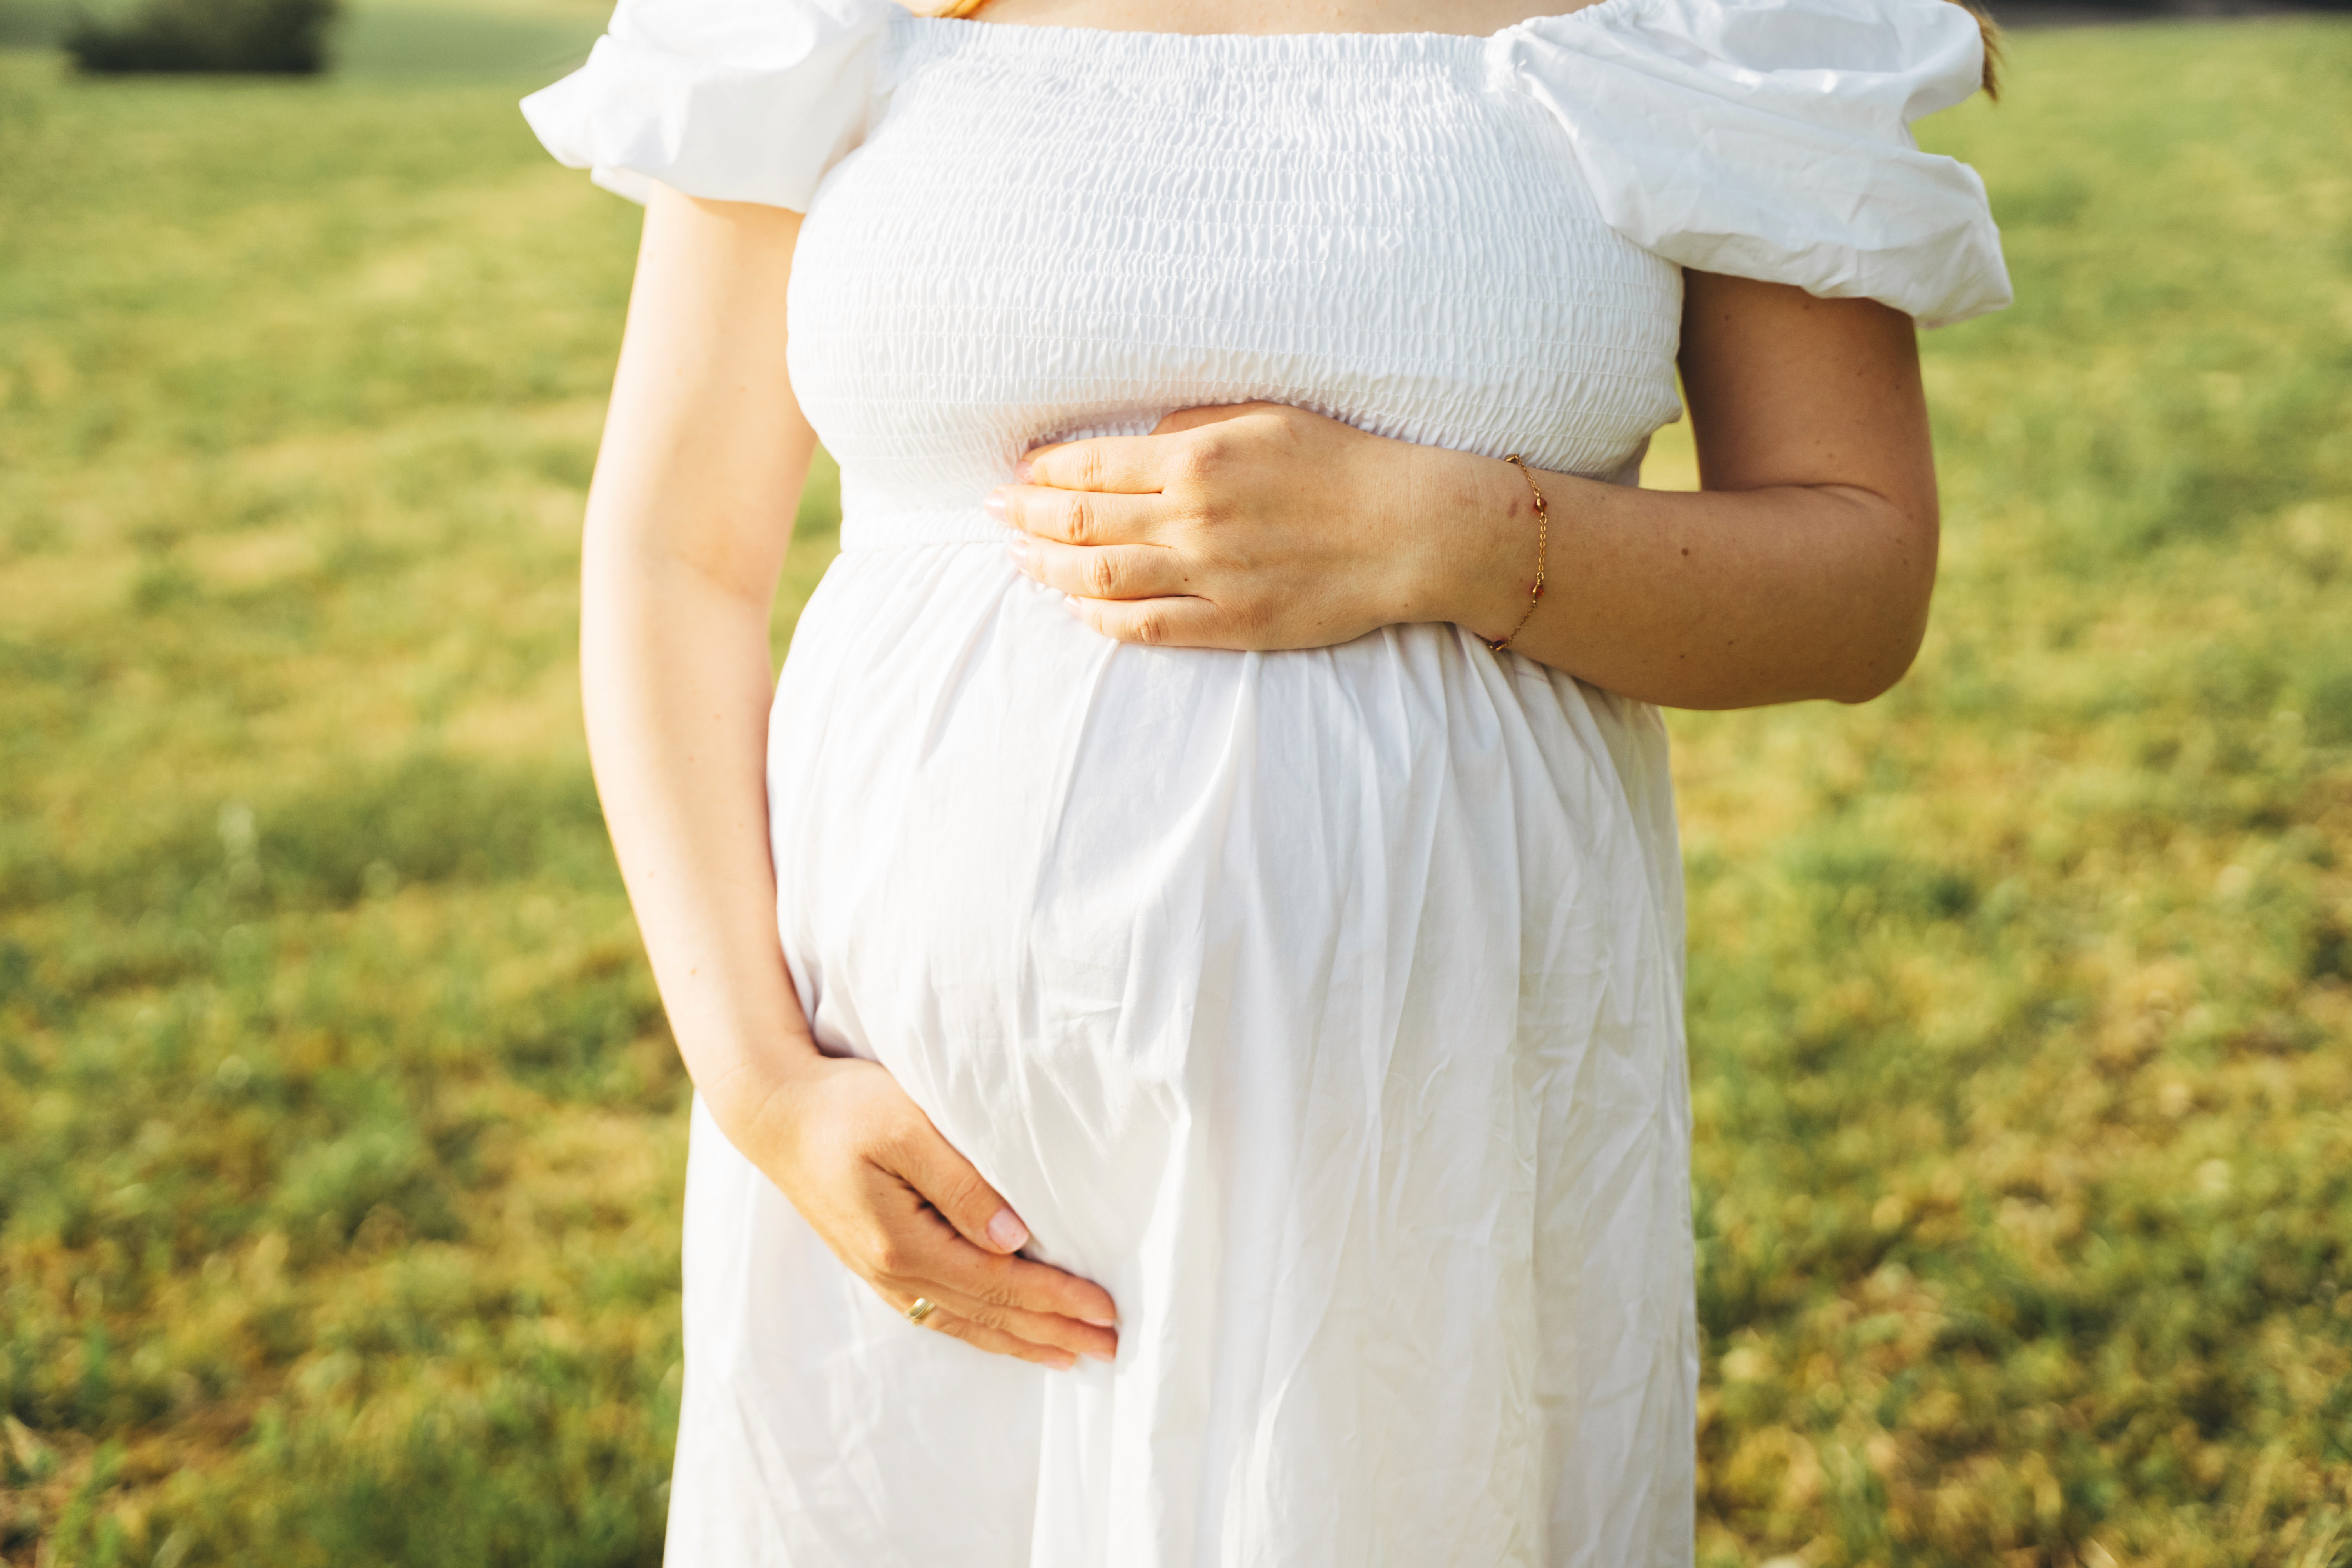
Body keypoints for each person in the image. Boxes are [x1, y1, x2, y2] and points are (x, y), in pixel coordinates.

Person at [522, 0, 2008, 1557]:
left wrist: (1458, 537)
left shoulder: (1704, 21)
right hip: (901, 1160)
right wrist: (764, 1079)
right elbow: (674, 555)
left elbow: (1861, 577)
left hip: (1411, 1179)